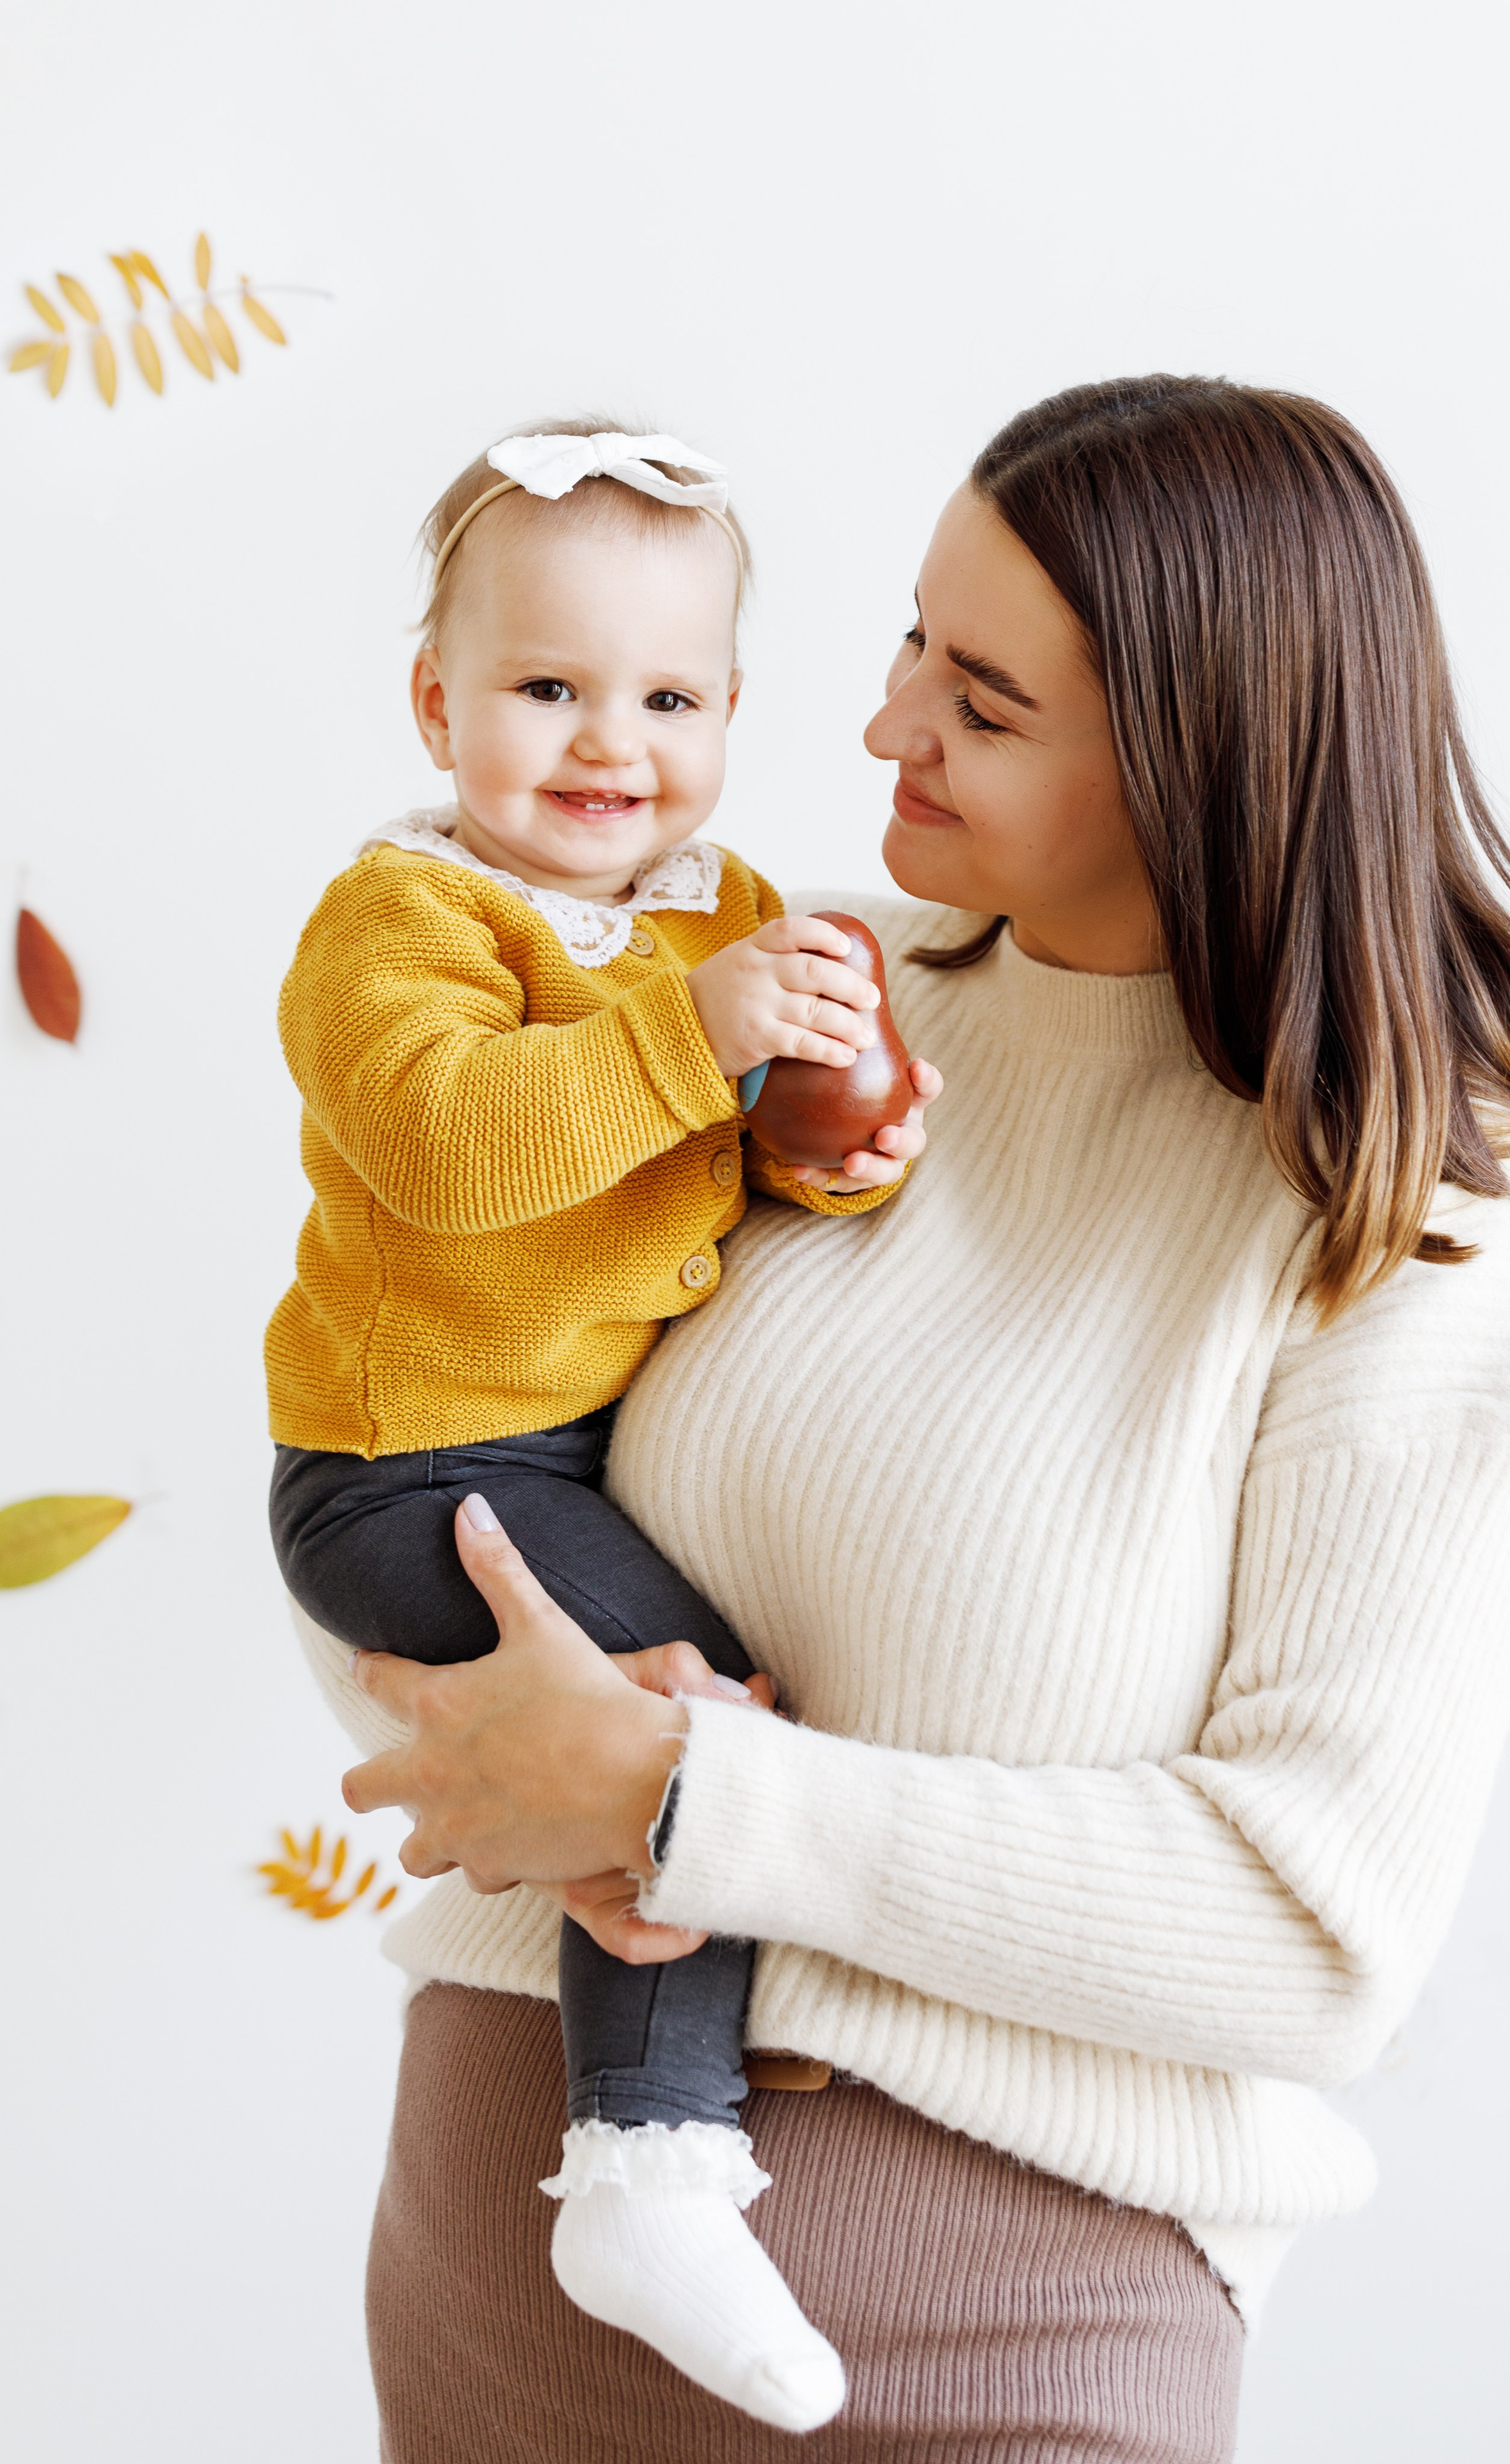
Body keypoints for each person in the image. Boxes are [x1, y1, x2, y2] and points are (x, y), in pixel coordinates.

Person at [312, 377, 1510, 2463]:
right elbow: (449, 1437)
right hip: (501, 2270)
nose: (880, 726)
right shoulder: (782, 1000)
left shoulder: (1409, 1219)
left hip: (1001, 2342)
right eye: (914, 639)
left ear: (1194, 762)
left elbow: (1315, 1934)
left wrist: (688, 1796)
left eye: (984, 703)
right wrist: (499, 1724)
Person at [265, 417, 939, 2433]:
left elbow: (720, 1154)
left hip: (564, 1449)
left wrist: (831, 1147)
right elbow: (458, 1149)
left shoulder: (723, 906)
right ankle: (647, 2169)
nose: (606, 746)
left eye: (666, 698)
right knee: (681, 1717)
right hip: (407, 1465)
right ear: (435, 701)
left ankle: (687, 2036)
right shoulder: (401, 925)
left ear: (731, 709)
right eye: (546, 688)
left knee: (692, 1717)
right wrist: (697, 1031)